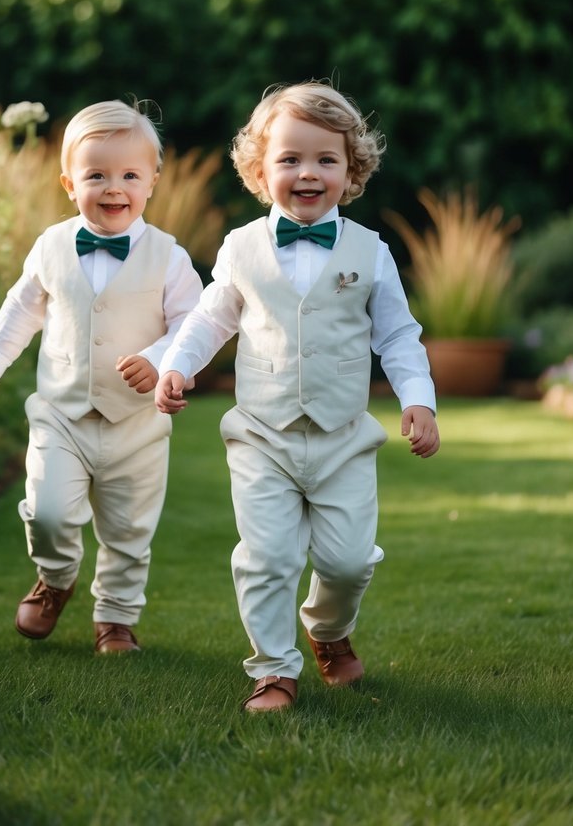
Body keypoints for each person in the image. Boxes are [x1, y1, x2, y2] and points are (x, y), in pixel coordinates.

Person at [155, 81, 439, 711]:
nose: (307, 173)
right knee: (267, 556)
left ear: (351, 170)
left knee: (346, 562)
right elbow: (208, 320)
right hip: (262, 435)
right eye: (289, 159)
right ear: (260, 170)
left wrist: (418, 399)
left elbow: (397, 333)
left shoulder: (372, 251)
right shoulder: (240, 248)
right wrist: (178, 366)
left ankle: (328, 628)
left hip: (343, 437)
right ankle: (273, 670)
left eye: (325, 160)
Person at [0, 100, 202, 654]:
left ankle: (115, 618)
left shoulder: (169, 257)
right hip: (61, 414)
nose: (113, 187)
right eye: (96, 175)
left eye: (129, 175)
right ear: (70, 183)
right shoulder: (51, 246)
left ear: (152, 183)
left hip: (136, 424)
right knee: (47, 511)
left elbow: (197, 324)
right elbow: (20, 311)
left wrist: (164, 358)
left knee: (128, 531)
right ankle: (55, 577)